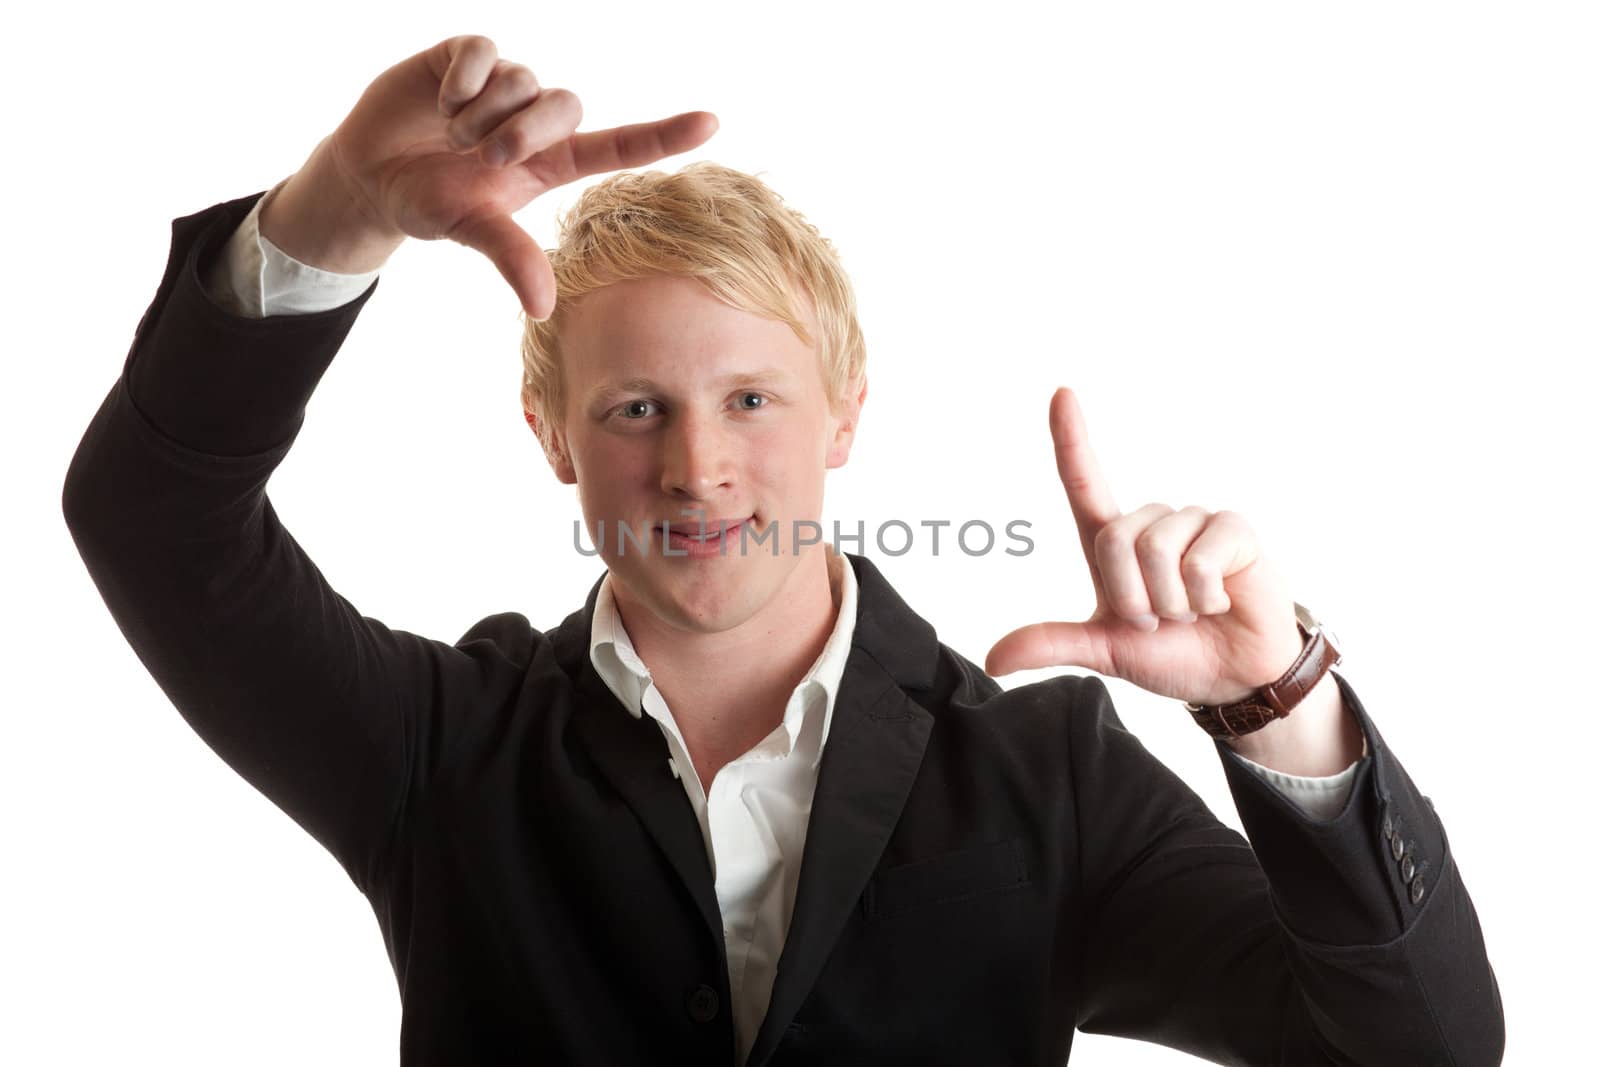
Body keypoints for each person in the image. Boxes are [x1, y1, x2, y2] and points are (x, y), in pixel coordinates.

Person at [62, 34, 1503, 1066]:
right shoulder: (442, 750)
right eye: (636, 408)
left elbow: (1417, 1051)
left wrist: (1280, 700)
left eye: (751, 397)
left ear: (846, 418)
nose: (698, 465)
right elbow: (153, 518)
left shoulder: (1039, 773)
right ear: (549, 432)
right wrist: (330, 216)